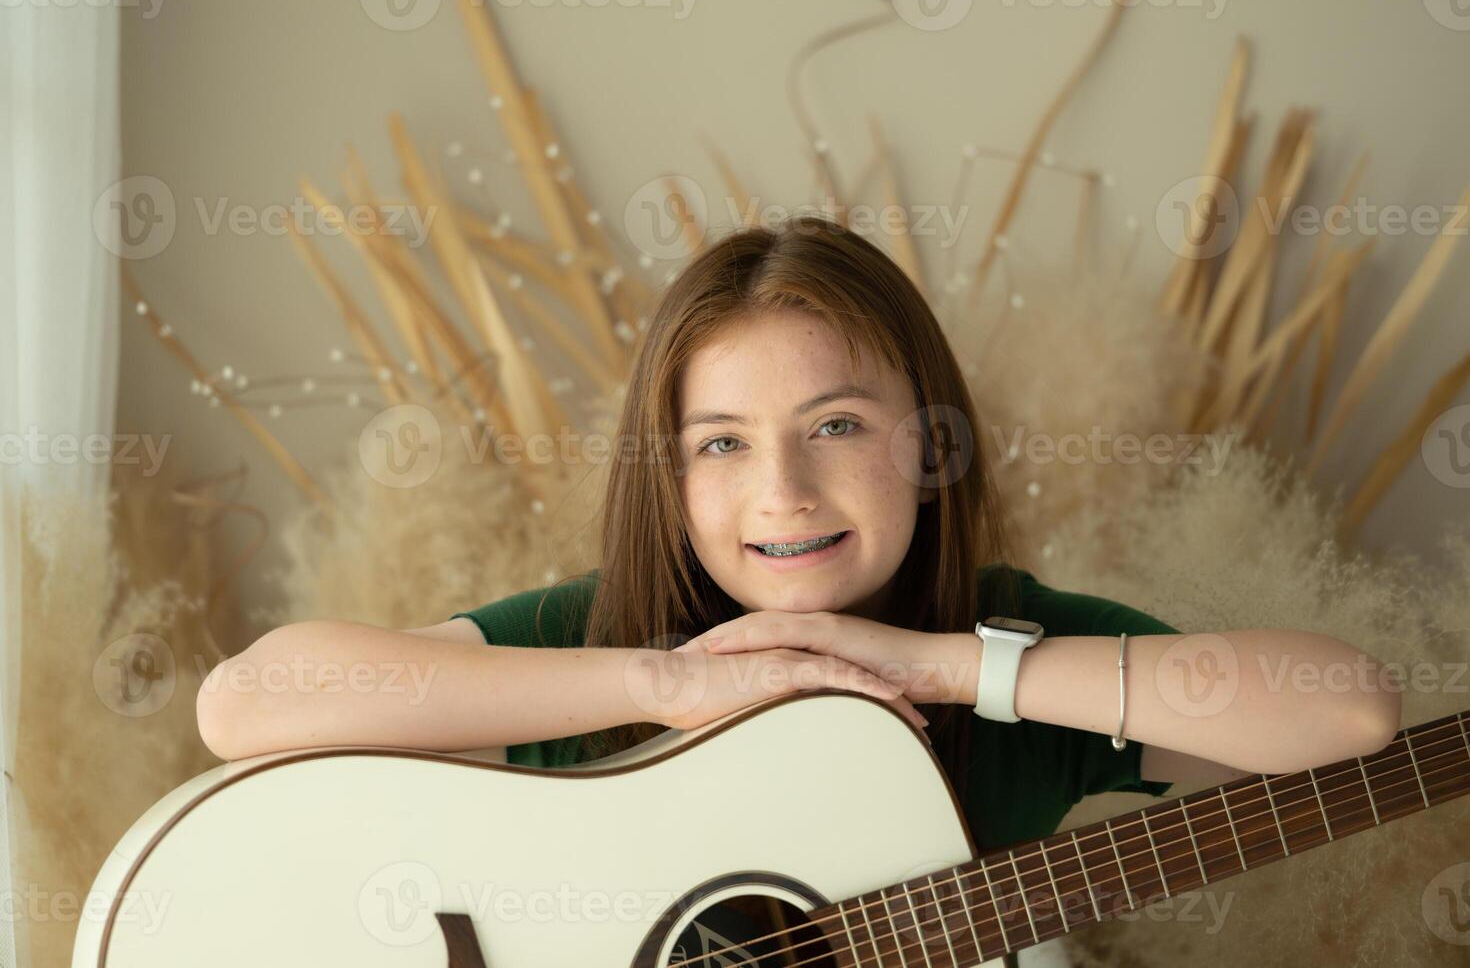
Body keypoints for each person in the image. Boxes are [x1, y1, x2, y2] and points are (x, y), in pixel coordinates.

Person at [197, 211, 1400, 865]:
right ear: (666, 480)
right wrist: (663, 684)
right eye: (719, 442)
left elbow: (1346, 714)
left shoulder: (1009, 653)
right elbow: (245, 705)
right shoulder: (599, 643)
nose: (782, 489)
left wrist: (943, 666)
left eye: (834, 424)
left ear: (929, 446)